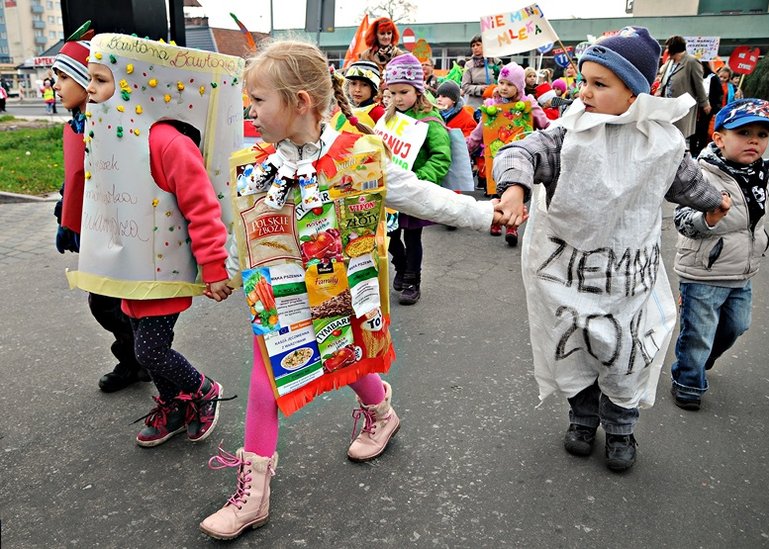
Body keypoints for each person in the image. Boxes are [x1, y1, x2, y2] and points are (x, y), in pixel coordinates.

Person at [198, 39, 500, 540]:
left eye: (258, 100)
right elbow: (245, 227)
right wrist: (229, 272)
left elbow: (425, 196)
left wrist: (487, 213)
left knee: (348, 356)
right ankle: (253, 492)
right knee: (266, 376)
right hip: (276, 296)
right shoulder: (254, 161)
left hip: (342, 290)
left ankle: (380, 411)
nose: (249, 110)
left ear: (300, 101)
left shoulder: (359, 157)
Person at [492, 26, 726, 472]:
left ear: (635, 92)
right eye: (584, 81)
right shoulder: (567, 134)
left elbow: (687, 182)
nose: (585, 93)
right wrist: (515, 187)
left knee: (625, 353)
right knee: (575, 346)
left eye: (601, 84)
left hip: (626, 275)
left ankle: (621, 428)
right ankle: (582, 418)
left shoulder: (662, 141)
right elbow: (521, 151)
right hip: (568, 274)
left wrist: (716, 200)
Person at [74, 34, 241, 447]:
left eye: (99, 79)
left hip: (162, 268)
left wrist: (215, 267)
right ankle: (175, 405)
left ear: (138, 82)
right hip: (130, 270)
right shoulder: (111, 136)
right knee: (143, 341)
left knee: (149, 351)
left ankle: (202, 389)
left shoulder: (167, 142)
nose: (89, 88)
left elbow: (201, 207)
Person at [51, 31, 149, 393]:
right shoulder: (75, 124)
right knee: (106, 304)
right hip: (94, 231)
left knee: (112, 304)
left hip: (121, 231)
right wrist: (66, 209)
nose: (56, 87)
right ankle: (135, 358)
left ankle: (145, 359)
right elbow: (76, 176)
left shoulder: (107, 124)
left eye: (64, 78)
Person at [670, 99, 769, 411]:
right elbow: (682, 221)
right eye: (743, 132)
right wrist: (709, 218)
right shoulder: (702, 174)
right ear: (719, 138)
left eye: (762, 134)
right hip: (704, 271)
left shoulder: (762, 174)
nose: (754, 140)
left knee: (736, 326)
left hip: (742, 270)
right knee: (698, 332)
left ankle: (701, 360)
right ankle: (687, 380)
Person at [383, 53, 452, 305]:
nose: (398, 98)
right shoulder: (389, 116)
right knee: (389, 235)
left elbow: (441, 157)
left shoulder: (430, 119)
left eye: (403, 92)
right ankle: (400, 266)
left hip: (414, 188)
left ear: (418, 90)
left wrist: (420, 177)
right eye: (392, 93)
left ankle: (412, 279)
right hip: (390, 189)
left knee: (412, 237)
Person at [467, 62, 550, 246]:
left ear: (519, 87)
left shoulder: (527, 104)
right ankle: (496, 220)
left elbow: (544, 122)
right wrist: (468, 146)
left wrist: (555, 131)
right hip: (496, 155)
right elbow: (479, 131)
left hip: (521, 156)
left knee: (515, 187)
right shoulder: (491, 106)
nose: (504, 88)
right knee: (497, 189)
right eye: (502, 83)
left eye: (510, 84)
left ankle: (512, 226)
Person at [657, 35, 711, 147]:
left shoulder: (691, 61)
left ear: (673, 48)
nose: (666, 50)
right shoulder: (670, 62)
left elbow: (698, 84)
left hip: (682, 105)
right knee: (666, 133)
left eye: (667, 47)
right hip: (667, 105)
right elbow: (662, 77)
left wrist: (704, 103)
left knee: (679, 134)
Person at [690, 61, 723, 156]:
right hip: (694, 107)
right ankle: (692, 151)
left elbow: (719, 94)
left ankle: (701, 150)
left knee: (703, 130)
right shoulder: (694, 75)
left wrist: (715, 109)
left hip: (707, 108)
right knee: (693, 130)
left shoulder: (713, 77)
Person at [461, 34, 501, 109]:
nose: (475, 47)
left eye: (478, 44)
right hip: (475, 106)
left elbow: (502, 81)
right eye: (473, 46)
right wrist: (480, 89)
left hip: (494, 104)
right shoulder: (468, 65)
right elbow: (465, 86)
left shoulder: (496, 62)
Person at [343, 59, 385, 124]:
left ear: (373, 89)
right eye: (353, 83)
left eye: (364, 85)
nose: (357, 89)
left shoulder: (379, 113)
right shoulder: (343, 110)